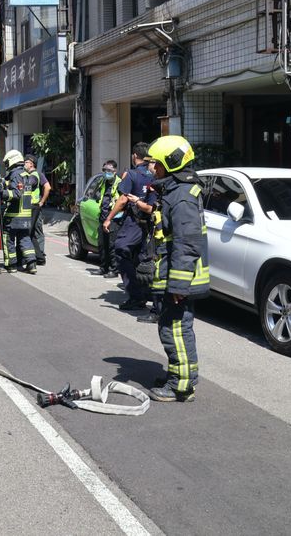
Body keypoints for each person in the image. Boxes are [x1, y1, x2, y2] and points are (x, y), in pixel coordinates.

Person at [143, 135, 209, 402]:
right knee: (174, 329)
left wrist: (179, 286)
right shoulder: (174, 191)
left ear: (170, 163)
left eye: (155, 164)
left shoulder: (181, 197)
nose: (151, 168)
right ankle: (179, 375)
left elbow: (186, 243)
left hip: (179, 279)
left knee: (176, 330)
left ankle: (180, 386)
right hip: (172, 275)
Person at [104, 142, 155, 310]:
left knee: (120, 249)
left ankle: (136, 295)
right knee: (141, 257)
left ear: (134, 156)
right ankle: (148, 291)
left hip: (134, 222)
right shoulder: (155, 174)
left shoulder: (132, 175)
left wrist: (108, 218)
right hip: (152, 222)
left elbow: (123, 199)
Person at [0, 149, 37, 274]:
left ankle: (11, 265)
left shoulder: (15, 175)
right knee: (24, 239)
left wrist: (1, 193)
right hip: (25, 216)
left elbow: (16, 194)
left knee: (7, 238)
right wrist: (3, 182)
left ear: (11, 161)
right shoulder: (25, 175)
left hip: (14, 215)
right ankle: (32, 264)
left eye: (7, 163)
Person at [24, 154, 52, 265]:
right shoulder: (31, 174)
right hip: (35, 207)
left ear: (31, 164)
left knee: (35, 231)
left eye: (26, 162)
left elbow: (48, 187)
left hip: (34, 207)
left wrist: (42, 201)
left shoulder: (36, 174)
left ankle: (39, 255)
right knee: (33, 231)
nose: (24, 164)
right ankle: (38, 255)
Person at [96, 160, 121, 278]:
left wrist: (110, 218)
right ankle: (103, 267)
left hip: (114, 218)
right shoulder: (103, 182)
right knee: (102, 244)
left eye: (109, 171)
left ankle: (114, 269)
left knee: (112, 245)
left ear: (115, 171)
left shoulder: (120, 183)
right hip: (102, 216)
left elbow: (121, 202)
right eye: (105, 170)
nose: (107, 173)